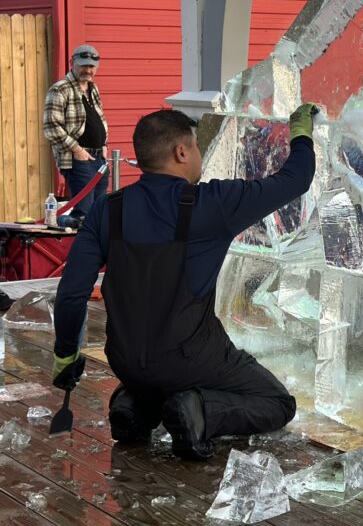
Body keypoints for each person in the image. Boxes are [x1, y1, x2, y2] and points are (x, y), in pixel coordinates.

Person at [51, 104, 317, 460]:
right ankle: (199, 411)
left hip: (125, 359)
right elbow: (295, 180)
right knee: (277, 403)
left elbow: (71, 294)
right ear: (181, 152)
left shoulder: (107, 209)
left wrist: (66, 355)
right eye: (195, 146)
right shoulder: (213, 204)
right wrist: (301, 133)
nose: (198, 155)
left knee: (153, 374)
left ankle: (136, 404)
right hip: (192, 358)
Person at [42, 44, 110, 220]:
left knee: (100, 212)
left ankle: (97, 246)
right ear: (72, 63)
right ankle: (68, 232)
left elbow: (99, 118)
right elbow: (51, 126)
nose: (87, 70)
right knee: (84, 214)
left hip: (98, 158)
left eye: (91, 66)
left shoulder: (92, 89)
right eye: (83, 65)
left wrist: (104, 144)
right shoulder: (60, 89)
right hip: (78, 159)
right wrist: (77, 150)